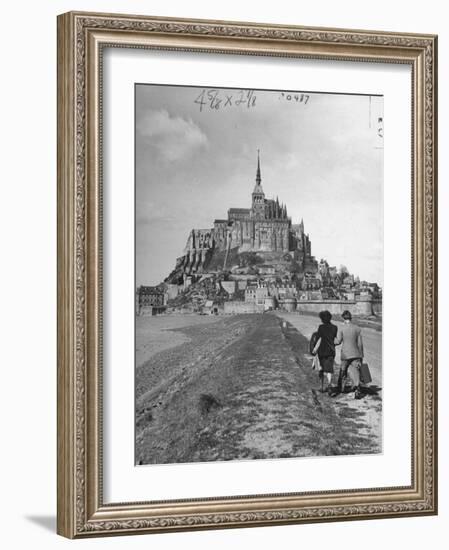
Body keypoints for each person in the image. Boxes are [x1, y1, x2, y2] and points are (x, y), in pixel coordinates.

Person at [333, 310, 364, 399]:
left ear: (343, 318)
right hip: (356, 354)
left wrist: (331, 340)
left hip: (345, 354)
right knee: (355, 372)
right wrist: (361, 355)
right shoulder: (357, 328)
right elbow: (360, 344)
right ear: (350, 318)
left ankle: (341, 388)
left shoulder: (341, 328)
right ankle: (357, 389)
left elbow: (338, 341)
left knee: (343, 371)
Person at [312, 310, 338, 393]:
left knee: (321, 368)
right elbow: (334, 339)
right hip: (331, 350)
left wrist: (315, 349)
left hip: (322, 351)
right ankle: (329, 384)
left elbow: (318, 339)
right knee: (329, 369)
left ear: (322, 319)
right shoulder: (335, 327)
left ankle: (322, 387)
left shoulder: (321, 327)